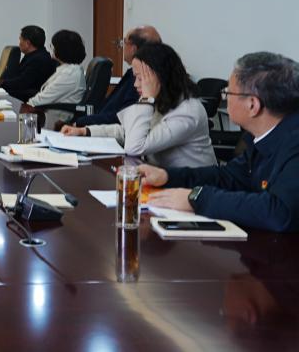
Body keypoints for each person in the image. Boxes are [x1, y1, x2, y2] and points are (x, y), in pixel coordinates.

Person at [138, 52, 299, 232]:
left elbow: (280, 212)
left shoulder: (294, 142)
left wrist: (197, 198)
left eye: (228, 92)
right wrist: (168, 176)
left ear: (252, 105)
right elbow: (230, 177)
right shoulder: (263, 136)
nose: (224, 97)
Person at [61, 43, 215, 168]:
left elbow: (135, 147)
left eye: (140, 78)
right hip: (162, 178)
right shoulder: (162, 99)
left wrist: (146, 100)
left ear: (160, 76)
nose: (135, 84)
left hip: (191, 188)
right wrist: (85, 131)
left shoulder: (188, 111)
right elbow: (128, 131)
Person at [74, 25, 162, 126]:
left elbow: (122, 117)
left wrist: (82, 122)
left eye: (124, 42)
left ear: (133, 49)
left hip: (105, 129)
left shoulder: (142, 79)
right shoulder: (133, 73)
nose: (121, 46)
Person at [26, 30, 87, 122]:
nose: (51, 49)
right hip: (50, 115)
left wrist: (24, 107)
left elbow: (38, 102)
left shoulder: (69, 74)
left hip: (56, 120)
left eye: (53, 46)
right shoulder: (68, 69)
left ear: (61, 49)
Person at [0, 25, 58, 102]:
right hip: (25, 94)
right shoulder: (33, 55)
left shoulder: (39, 59)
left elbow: (22, 82)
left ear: (27, 43)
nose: (19, 44)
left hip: (31, 100)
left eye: (20, 40)